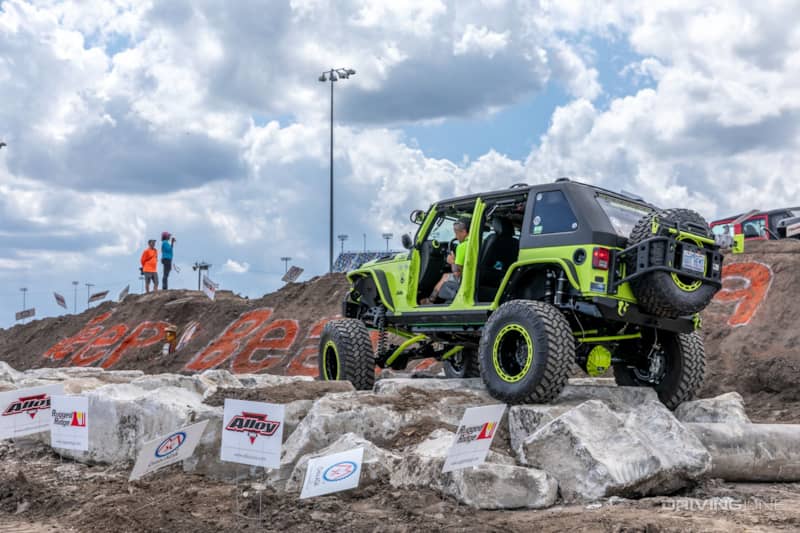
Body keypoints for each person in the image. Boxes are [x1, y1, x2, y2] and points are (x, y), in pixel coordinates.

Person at [422, 217, 470, 304]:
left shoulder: (462, 246)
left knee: (445, 276)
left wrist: (452, 261)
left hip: (466, 278)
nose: (455, 236)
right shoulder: (475, 243)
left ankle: (430, 300)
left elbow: (457, 273)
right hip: (473, 275)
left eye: (456, 233)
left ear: (463, 232)